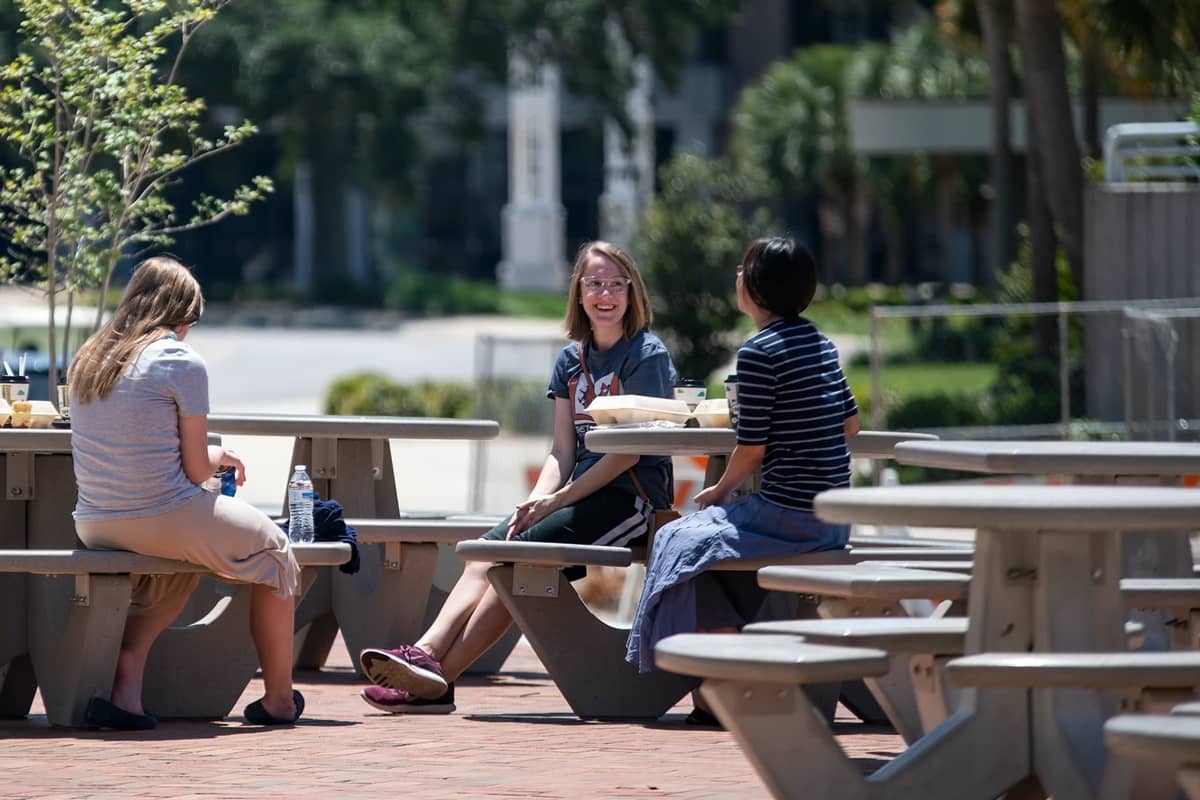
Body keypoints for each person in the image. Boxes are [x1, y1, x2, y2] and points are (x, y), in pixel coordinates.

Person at [358, 241, 676, 714]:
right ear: (579, 292)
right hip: (574, 496)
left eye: (614, 284)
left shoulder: (645, 355)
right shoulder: (572, 360)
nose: (604, 294)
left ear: (632, 291)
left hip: (629, 500)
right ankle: (428, 663)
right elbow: (562, 449)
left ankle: (432, 671)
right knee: (492, 551)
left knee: (516, 566)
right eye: (594, 283)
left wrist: (555, 502)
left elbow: (628, 456)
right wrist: (533, 504)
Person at [624, 236, 860, 723]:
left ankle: (726, 678)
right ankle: (717, 679)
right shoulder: (821, 342)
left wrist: (718, 490)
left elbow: (751, 448)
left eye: (741, 270)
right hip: (836, 519)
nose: (736, 277)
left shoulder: (758, 354)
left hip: (787, 517)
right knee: (692, 548)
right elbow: (850, 425)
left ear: (755, 288)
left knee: (672, 538)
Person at [68, 256, 303, 730]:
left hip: (94, 519)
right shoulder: (179, 360)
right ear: (181, 314)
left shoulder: (89, 358)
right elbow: (197, 470)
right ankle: (279, 699)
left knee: (179, 572)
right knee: (277, 553)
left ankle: (126, 688)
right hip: (160, 514)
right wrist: (219, 457)